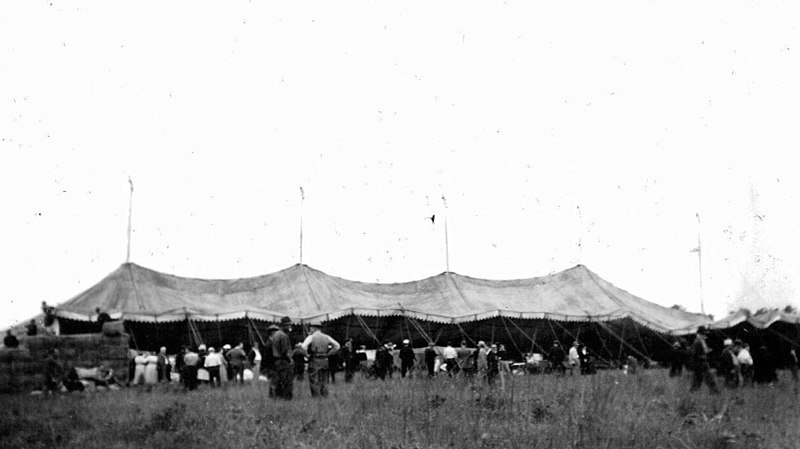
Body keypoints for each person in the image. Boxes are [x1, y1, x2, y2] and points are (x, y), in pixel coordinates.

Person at [301, 319, 340, 398]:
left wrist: (307, 355)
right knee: (324, 380)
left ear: (314, 328)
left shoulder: (311, 337)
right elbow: (337, 346)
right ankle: (324, 396)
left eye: (311, 328)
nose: (310, 329)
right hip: (324, 360)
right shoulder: (326, 337)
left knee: (313, 380)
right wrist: (329, 353)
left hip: (314, 360)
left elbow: (303, 346)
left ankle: (316, 397)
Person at [270, 316, 295, 399]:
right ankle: (286, 398)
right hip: (283, 361)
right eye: (288, 325)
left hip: (276, 361)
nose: (289, 327)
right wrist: (290, 360)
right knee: (286, 381)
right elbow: (284, 351)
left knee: (277, 380)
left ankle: (276, 397)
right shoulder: (284, 336)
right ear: (284, 325)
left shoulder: (275, 335)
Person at [689, 326, 718, 393]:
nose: (705, 335)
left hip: (700, 363)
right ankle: (714, 392)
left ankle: (693, 392)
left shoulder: (701, 341)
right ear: (700, 333)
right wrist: (702, 356)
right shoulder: (697, 342)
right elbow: (694, 354)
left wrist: (706, 351)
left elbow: (701, 351)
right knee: (708, 378)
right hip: (700, 363)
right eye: (704, 333)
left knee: (698, 379)